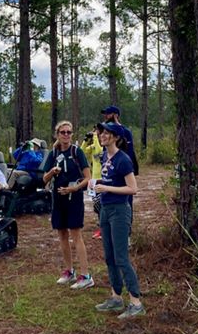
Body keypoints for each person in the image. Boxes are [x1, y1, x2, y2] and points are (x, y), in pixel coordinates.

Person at [94, 121, 144, 318]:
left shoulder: (123, 159)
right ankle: (116, 298)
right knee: (109, 256)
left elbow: (133, 188)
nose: (102, 135)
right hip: (105, 209)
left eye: (107, 133)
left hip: (120, 210)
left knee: (121, 257)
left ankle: (136, 302)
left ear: (116, 137)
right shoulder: (106, 155)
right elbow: (108, 180)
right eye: (101, 132)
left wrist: (106, 188)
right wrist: (97, 184)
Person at [42, 121, 94, 289]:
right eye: (63, 132)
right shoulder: (53, 153)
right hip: (58, 198)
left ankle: (85, 275)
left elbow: (88, 177)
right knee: (62, 234)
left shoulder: (77, 152)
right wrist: (52, 172)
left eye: (69, 132)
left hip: (74, 198)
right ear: (57, 134)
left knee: (76, 234)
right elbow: (44, 178)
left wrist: (74, 188)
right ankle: (68, 271)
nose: (66, 135)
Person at [100, 105, 138, 175]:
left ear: (116, 115)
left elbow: (129, 150)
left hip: (120, 164)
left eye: (108, 114)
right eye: (105, 114)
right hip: (107, 163)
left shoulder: (125, 131)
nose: (105, 116)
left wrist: (129, 166)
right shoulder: (103, 129)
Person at [80, 129, 104, 239]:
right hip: (93, 180)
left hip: (102, 180)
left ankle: (104, 229)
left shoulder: (104, 147)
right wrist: (86, 140)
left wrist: (95, 136)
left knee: (103, 206)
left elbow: (99, 151)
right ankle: (101, 229)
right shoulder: (94, 146)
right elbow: (82, 152)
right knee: (97, 207)